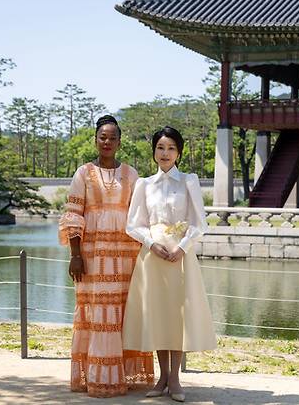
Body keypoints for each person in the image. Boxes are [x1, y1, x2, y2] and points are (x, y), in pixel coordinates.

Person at [58, 115, 154, 398]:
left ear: (120, 141)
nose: (107, 142)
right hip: (92, 257)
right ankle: (98, 378)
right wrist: (75, 255)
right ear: (95, 140)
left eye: (112, 137)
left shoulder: (132, 175)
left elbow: (141, 216)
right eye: (103, 137)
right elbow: (74, 216)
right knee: (97, 315)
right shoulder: (83, 173)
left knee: (124, 313)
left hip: (126, 257)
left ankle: (122, 376)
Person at [123, 126, 217, 402]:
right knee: (157, 316)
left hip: (180, 257)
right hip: (152, 257)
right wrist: (152, 244)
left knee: (177, 317)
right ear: (154, 151)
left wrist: (182, 248)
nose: (165, 153)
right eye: (161, 148)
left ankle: (175, 378)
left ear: (179, 152)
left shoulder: (188, 181)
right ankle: (161, 377)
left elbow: (200, 223)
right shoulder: (144, 184)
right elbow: (133, 224)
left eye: (171, 148)